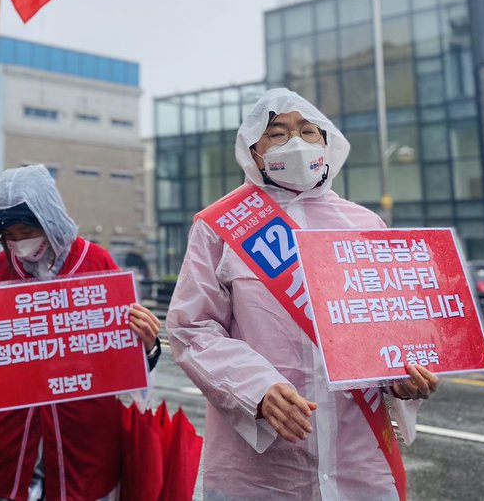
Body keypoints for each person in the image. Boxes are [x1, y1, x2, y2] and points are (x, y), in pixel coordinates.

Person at [166, 88, 440, 501]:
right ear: (254, 151)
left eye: (308, 131)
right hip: (260, 470)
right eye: (277, 134)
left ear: (327, 143)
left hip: (358, 462)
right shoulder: (220, 225)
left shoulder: (364, 224)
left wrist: (401, 378)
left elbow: (387, 324)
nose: (295, 142)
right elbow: (192, 328)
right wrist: (255, 389)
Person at [0, 165, 162, 501]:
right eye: (10, 236)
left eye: (26, 231)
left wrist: (146, 347)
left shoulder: (95, 264)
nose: (19, 244)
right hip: (14, 445)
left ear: (50, 220)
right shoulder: (0, 271)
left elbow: (125, 365)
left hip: (86, 444)